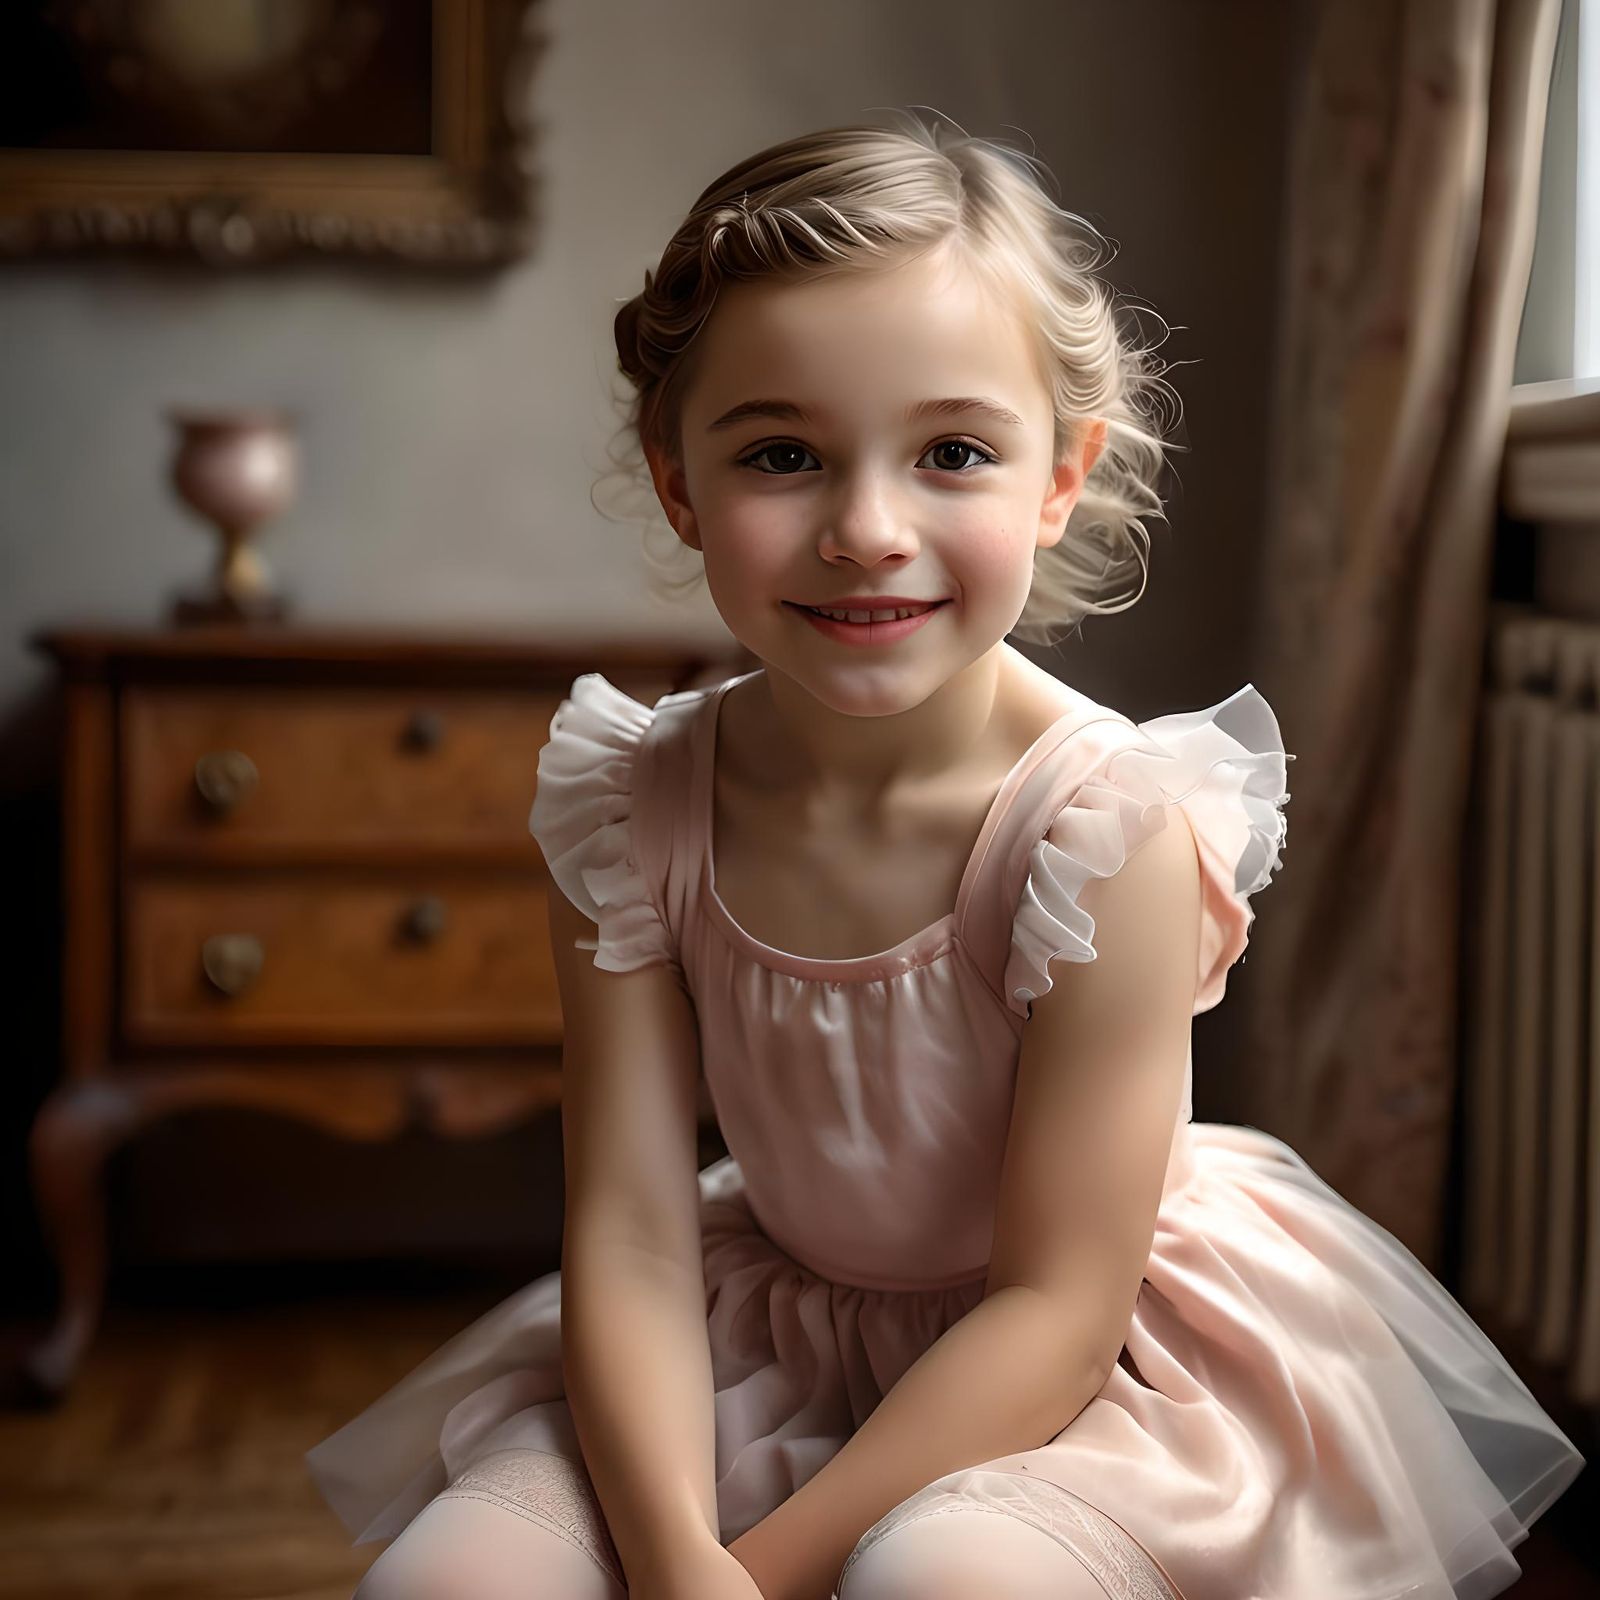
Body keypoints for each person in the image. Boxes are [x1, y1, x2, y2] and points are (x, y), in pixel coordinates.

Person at [307, 109, 1585, 1600]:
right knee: (446, 1585)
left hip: (1090, 1368)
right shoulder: (630, 801)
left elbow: (1055, 1299)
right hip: (758, 1335)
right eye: (783, 453)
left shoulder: (1105, 831)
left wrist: (763, 1575)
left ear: (1056, 478)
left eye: (954, 452)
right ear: (678, 482)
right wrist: (671, 1562)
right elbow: (635, 1230)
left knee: (941, 1582)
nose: (866, 529)